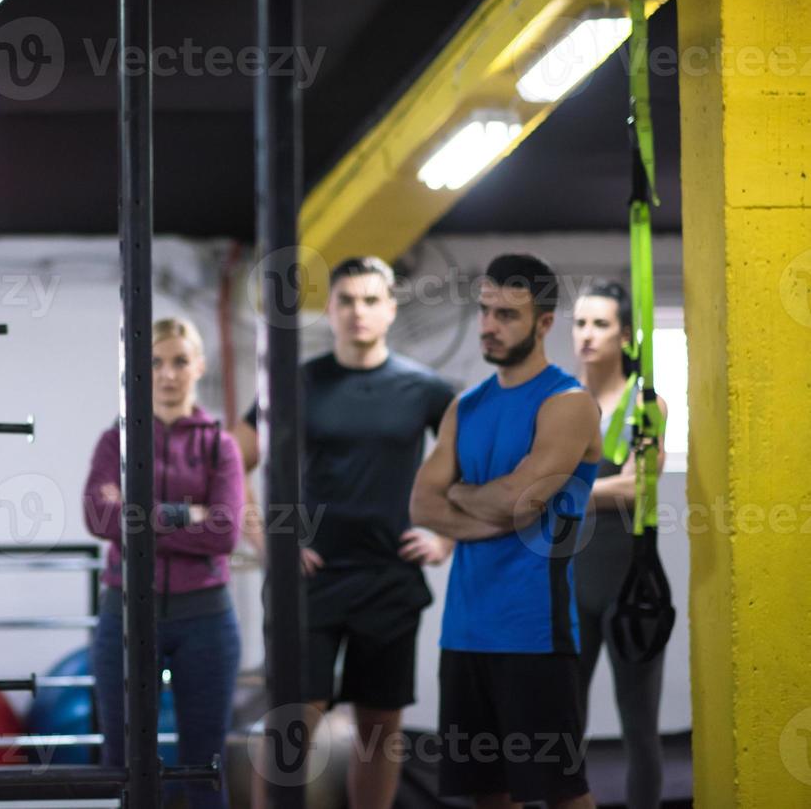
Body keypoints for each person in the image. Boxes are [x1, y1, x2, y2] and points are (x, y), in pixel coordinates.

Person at [232, 256, 456, 809]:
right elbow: (231, 461)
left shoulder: (425, 389)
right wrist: (270, 543)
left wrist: (447, 537)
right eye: (348, 301)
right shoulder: (297, 383)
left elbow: (473, 465)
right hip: (310, 581)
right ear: (330, 309)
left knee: (379, 726)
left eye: (371, 300)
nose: (359, 311)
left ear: (391, 308)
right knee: (292, 721)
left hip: (389, 578)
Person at [409, 253, 600, 809]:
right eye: (485, 310)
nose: (489, 326)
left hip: (534, 632)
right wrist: (490, 507)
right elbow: (422, 502)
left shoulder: (567, 403)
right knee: (486, 793)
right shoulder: (465, 407)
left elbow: (521, 501)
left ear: (544, 324)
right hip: (465, 632)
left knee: (563, 792)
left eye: (507, 316)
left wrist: (464, 495)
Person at [83, 317, 246, 809]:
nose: (168, 373)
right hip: (127, 615)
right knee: (125, 763)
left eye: (179, 360)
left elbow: (225, 532)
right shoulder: (117, 441)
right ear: (139, 368)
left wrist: (137, 518)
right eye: (155, 361)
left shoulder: (221, 445)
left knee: (205, 766)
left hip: (207, 620)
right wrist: (183, 515)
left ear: (198, 366)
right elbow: (98, 514)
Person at [571, 280, 669, 809]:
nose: (587, 335)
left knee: (640, 730)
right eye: (580, 323)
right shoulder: (557, 402)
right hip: (569, 582)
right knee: (564, 730)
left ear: (625, 335)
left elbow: (639, 485)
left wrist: (559, 493)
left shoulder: (647, 403)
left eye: (600, 324)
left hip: (633, 586)